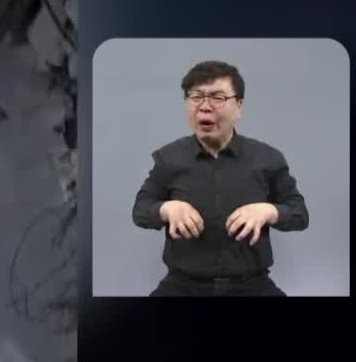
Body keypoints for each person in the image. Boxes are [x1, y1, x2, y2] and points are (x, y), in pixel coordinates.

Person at [130, 60, 310, 296]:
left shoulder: (268, 158)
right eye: (196, 96)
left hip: (252, 286)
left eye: (218, 97)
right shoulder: (168, 159)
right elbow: (140, 210)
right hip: (181, 286)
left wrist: (269, 211)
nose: (205, 106)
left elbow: (300, 214)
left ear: (239, 106)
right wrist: (166, 209)